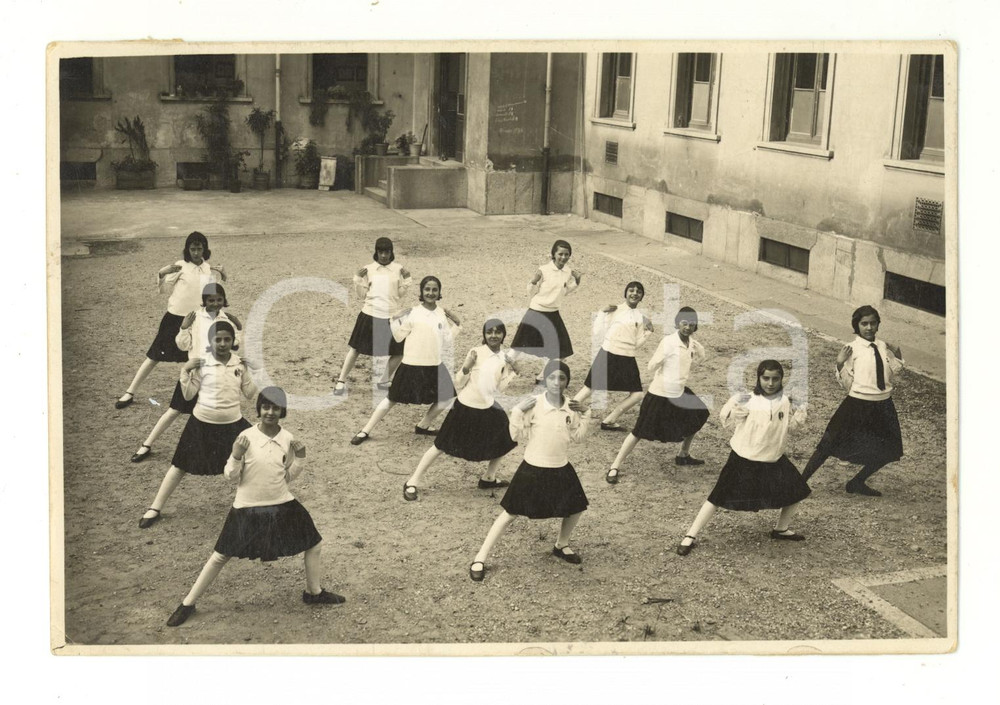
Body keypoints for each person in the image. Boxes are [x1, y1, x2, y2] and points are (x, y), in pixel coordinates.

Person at [165, 387, 344, 627]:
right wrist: (236, 456)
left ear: (283, 411)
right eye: (266, 407)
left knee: (314, 544)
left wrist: (300, 458)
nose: (270, 412)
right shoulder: (245, 437)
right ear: (258, 409)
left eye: (276, 408)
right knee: (220, 556)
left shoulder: (288, 438)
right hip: (248, 506)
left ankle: (314, 592)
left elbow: (287, 476)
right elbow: (230, 476)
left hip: (282, 503)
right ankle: (188, 603)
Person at [468, 360, 598, 582]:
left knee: (576, 507)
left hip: (560, 466)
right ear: (544, 380)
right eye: (552, 378)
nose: (557, 383)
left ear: (568, 382)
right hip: (533, 468)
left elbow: (577, 437)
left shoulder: (572, 407)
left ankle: (561, 544)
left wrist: (586, 414)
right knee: (509, 513)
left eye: (562, 378)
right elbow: (514, 435)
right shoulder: (533, 404)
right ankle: (480, 557)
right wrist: (517, 412)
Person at [676, 360, 811, 556]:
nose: (770, 383)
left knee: (797, 490)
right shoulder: (746, 399)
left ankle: (781, 529)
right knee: (717, 497)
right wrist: (735, 412)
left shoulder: (785, 401)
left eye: (775, 379)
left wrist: (799, 411)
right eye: (766, 378)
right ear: (758, 377)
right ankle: (690, 535)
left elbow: (790, 426)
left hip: (773, 458)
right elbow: (726, 420)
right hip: (744, 458)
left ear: (782, 379)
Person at [138, 321, 255, 528]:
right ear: (210, 341)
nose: (222, 344)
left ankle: (253, 507)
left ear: (233, 341)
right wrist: (185, 372)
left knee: (253, 462)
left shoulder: (239, 364)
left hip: (233, 424)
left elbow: (249, 393)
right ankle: (155, 507)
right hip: (202, 424)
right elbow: (189, 394)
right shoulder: (202, 364)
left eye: (227, 339)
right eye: (218, 339)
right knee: (179, 465)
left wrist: (254, 371)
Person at [402, 319, 520, 501]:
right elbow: (459, 382)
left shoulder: (504, 357)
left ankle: (489, 478)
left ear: (504, 335)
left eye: (498, 332)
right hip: (465, 407)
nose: (494, 336)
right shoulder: (475, 352)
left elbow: (499, 389)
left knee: (504, 440)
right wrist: (466, 367)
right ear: (484, 335)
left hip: (488, 407)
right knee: (440, 445)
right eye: (489, 332)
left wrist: (513, 372)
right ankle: (412, 481)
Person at [130, 283, 242, 462]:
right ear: (204, 301)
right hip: (196, 373)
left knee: (224, 413)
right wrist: (183, 328)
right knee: (174, 410)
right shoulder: (195, 318)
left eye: (219, 300)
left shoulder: (226, 318)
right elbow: (182, 345)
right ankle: (147, 444)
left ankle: (234, 454)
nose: (215, 303)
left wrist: (238, 326)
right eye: (211, 300)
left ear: (224, 300)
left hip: (217, 374)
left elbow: (234, 345)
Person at [800, 305, 904, 497]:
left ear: (878, 325)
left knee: (889, 450)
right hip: (857, 405)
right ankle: (799, 484)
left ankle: (857, 482)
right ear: (856, 325)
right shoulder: (851, 349)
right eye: (864, 324)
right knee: (828, 445)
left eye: (873, 323)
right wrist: (840, 363)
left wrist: (897, 353)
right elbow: (847, 384)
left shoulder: (883, 346)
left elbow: (895, 372)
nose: (869, 327)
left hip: (883, 405)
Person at [115, 231, 226, 409]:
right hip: (174, 319)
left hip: (196, 320)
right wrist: (161, 273)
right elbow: (163, 289)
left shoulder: (207, 268)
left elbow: (209, 296)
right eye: (192, 249)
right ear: (187, 249)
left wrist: (223, 277)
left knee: (201, 357)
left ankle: (208, 395)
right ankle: (130, 392)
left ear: (205, 249)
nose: (196, 253)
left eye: (199, 248)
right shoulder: (180, 266)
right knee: (154, 356)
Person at [605, 306, 709, 484]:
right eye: (684, 323)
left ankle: (683, 454)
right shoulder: (668, 342)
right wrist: (662, 360)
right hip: (659, 395)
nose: (688, 327)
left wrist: (698, 349)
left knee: (700, 413)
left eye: (692, 324)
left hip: (679, 392)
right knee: (638, 432)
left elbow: (700, 359)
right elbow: (651, 366)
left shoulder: (691, 342)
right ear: (677, 323)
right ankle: (615, 466)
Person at [350, 275, 460, 445]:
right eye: (427, 289)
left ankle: (423, 425)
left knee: (446, 397)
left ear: (439, 293)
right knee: (391, 399)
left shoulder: (441, 314)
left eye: (434, 290)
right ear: (421, 292)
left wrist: (457, 324)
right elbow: (399, 337)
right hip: (412, 365)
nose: (431, 293)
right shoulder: (413, 312)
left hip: (434, 365)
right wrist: (396, 318)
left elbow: (446, 340)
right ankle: (366, 430)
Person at [333, 237, 411, 395]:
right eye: (380, 252)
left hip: (391, 317)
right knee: (355, 349)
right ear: (376, 252)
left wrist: (407, 280)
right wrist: (357, 279)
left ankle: (383, 380)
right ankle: (341, 381)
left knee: (399, 352)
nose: (383, 255)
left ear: (391, 252)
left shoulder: (398, 269)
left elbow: (399, 295)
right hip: (370, 314)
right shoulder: (368, 269)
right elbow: (362, 295)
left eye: (387, 252)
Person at [572, 281, 653, 431]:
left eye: (638, 292)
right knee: (589, 389)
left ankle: (610, 420)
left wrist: (648, 332)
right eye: (631, 290)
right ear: (626, 293)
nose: (635, 293)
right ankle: (564, 415)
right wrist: (602, 312)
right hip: (608, 354)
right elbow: (597, 331)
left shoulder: (641, 318)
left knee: (637, 395)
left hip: (628, 358)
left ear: (642, 296)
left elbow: (635, 344)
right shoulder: (615, 309)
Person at [509, 239, 582, 382]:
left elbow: (564, 291)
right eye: (560, 254)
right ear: (553, 255)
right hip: (536, 312)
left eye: (567, 255)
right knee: (517, 347)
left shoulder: (568, 272)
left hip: (554, 313)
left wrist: (577, 282)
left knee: (561, 349)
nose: (563, 258)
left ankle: (542, 376)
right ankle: (496, 373)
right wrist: (533, 282)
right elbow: (530, 292)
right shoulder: (543, 270)